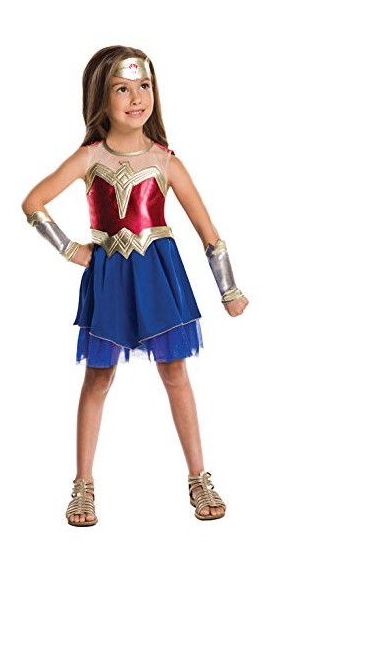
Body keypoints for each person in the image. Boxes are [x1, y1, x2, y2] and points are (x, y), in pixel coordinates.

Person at [21, 45, 248, 526]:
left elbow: (209, 233)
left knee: (175, 373)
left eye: (143, 85)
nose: (136, 97)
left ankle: (199, 477)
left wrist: (229, 290)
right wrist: (71, 249)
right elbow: (33, 202)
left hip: (159, 277)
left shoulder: (165, 162)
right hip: (111, 279)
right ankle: (83, 485)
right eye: (121, 89)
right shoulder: (90, 158)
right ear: (100, 97)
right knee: (98, 377)